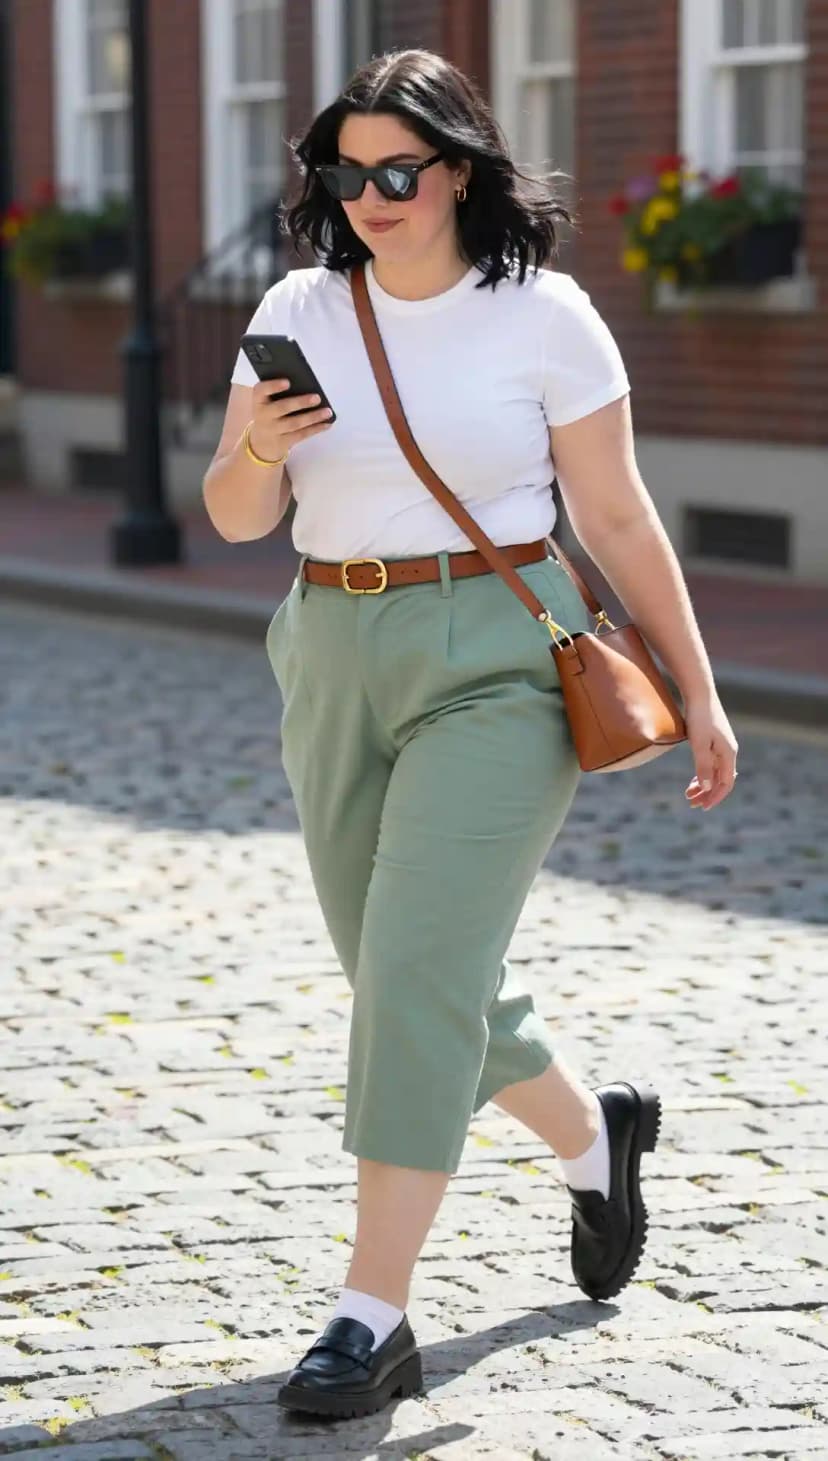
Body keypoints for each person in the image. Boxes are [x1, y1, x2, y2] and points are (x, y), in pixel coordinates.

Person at [203, 47, 739, 1421]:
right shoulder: (298, 307)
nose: (373, 196)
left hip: (499, 655)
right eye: (348, 172)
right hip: (331, 644)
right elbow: (235, 518)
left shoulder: (544, 316)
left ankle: (368, 1313)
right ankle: (596, 1135)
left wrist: (700, 685)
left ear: (458, 171)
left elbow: (614, 516)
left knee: (417, 967)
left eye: (401, 169)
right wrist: (256, 441)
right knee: (405, 973)